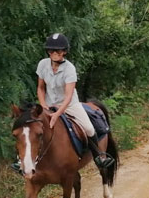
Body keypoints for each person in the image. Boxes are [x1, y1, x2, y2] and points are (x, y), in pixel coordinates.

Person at [11, 33, 112, 173]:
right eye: (51, 50)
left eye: (57, 50)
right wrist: (43, 105)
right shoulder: (43, 64)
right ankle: (20, 160)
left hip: (69, 105)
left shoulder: (70, 69)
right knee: (28, 127)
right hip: (48, 104)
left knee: (89, 128)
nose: (54, 53)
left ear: (64, 51)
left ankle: (99, 156)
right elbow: (40, 88)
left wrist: (57, 114)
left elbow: (69, 95)